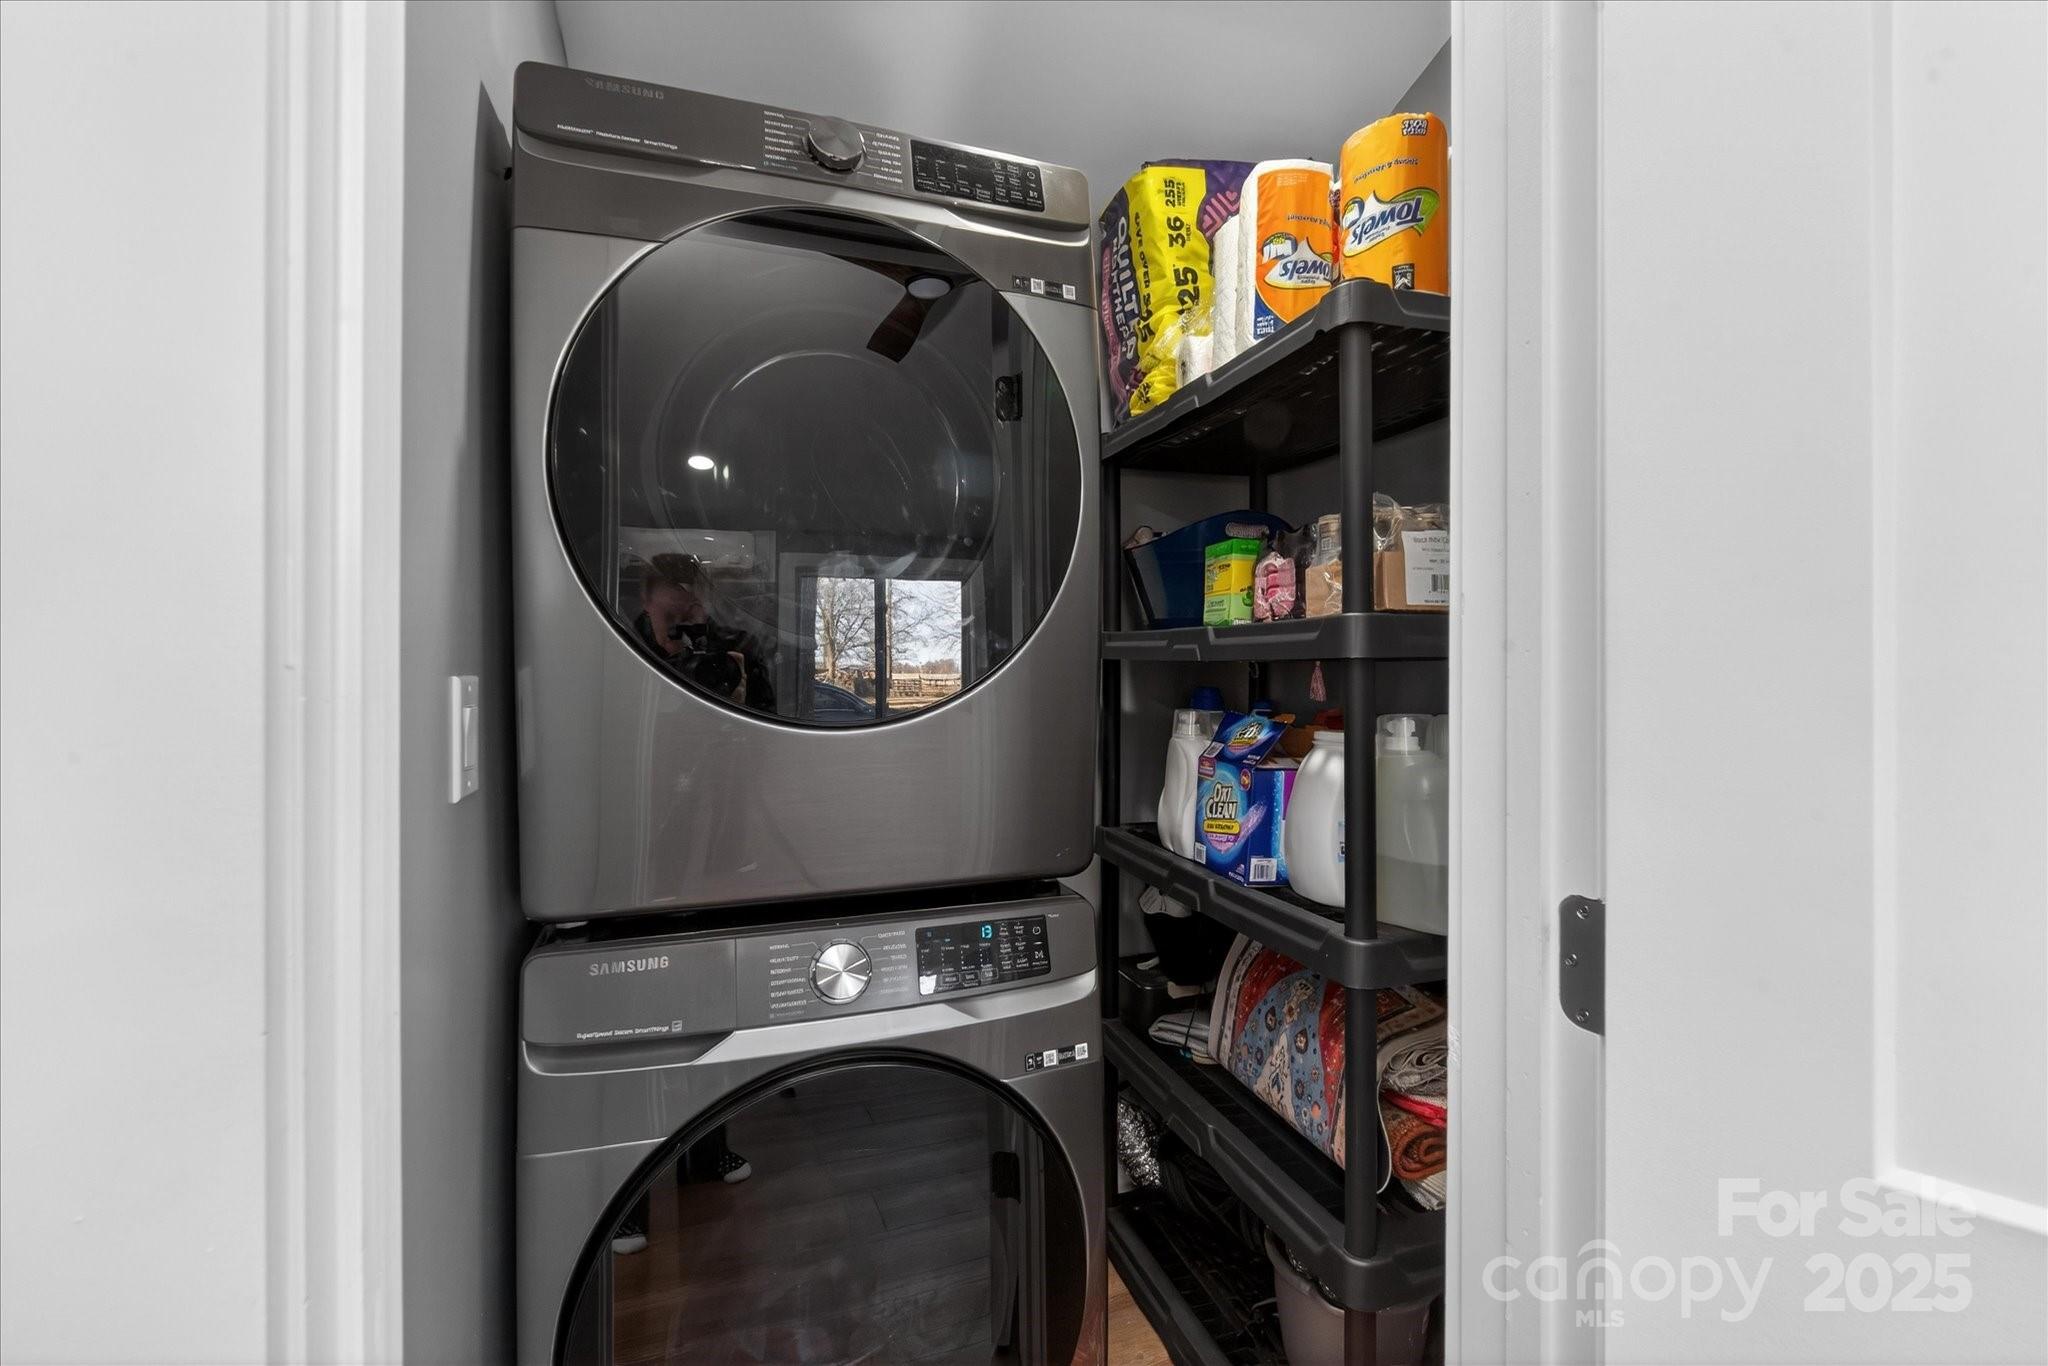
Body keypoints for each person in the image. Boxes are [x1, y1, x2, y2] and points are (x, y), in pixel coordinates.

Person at [631, 552, 775, 711]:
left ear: (705, 604)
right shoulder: (626, 647)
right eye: (670, 619)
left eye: (688, 618)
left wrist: (741, 709)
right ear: (646, 602)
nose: (680, 632)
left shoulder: (738, 647)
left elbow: (768, 720)